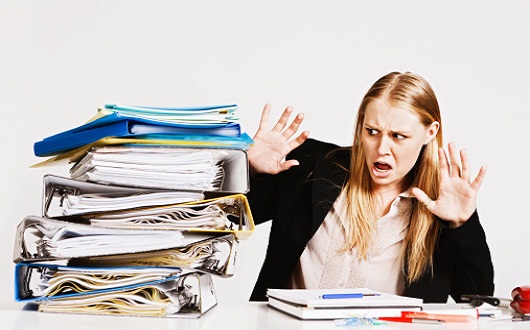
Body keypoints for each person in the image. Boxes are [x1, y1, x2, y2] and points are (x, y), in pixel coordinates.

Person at [246, 71, 494, 303]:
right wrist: (251, 170)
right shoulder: (309, 163)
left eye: (398, 136)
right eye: (372, 131)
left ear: (430, 132)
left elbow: (475, 296)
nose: (381, 148)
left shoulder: (441, 203)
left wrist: (462, 224)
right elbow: (229, 220)